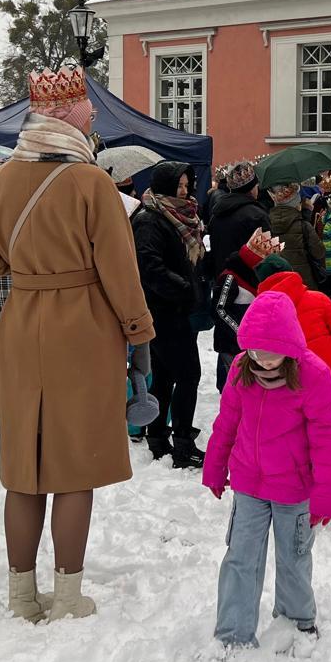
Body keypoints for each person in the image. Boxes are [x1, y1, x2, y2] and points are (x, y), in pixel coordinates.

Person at [0, 66, 155, 622]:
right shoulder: (91, 181)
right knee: (75, 466)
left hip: (22, 324)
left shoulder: (4, 178)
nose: (94, 117)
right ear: (73, 117)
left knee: (25, 466)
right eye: (88, 110)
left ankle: (21, 595)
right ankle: (69, 596)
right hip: (84, 327)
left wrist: (30, 268)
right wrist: (138, 327)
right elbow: (120, 271)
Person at [204, 292, 331, 647]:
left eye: (272, 355)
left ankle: (297, 621)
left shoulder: (314, 375)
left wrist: (325, 497)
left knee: (294, 557)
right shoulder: (240, 369)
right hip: (250, 483)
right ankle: (233, 632)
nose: (264, 363)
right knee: (240, 557)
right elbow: (227, 423)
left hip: (294, 491)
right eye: (257, 354)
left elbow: (328, 441)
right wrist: (215, 466)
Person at [259, 261, 331, 540]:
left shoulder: (265, 312)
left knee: (297, 444)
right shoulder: (318, 299)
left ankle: (301, 506)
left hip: (293, 387)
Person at [130, 159, 209, 468]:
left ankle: (158, 435)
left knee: (163, 375)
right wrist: (184, 288)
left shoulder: (181, 216)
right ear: (164, 186)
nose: (185, 192)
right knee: (189, 374)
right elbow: (149, 267)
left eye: (187, 186)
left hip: (173, 309)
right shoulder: (150, 219)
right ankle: (182, 444)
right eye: (179, 186)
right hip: (164, 310)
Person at [207, 161, 268, 388]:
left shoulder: (217, 214)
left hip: (223, 280)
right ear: (252, 186)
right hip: (250, 285)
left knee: (226, 339)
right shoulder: (256, 215)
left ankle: (226, 389)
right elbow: (266, 254)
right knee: (248, 342)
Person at [264, 182, 326, 290]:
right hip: (303, 282)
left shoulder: (266, 224)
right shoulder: (303, 225)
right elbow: (319, 252)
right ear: (296, 203)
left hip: (277, 282)